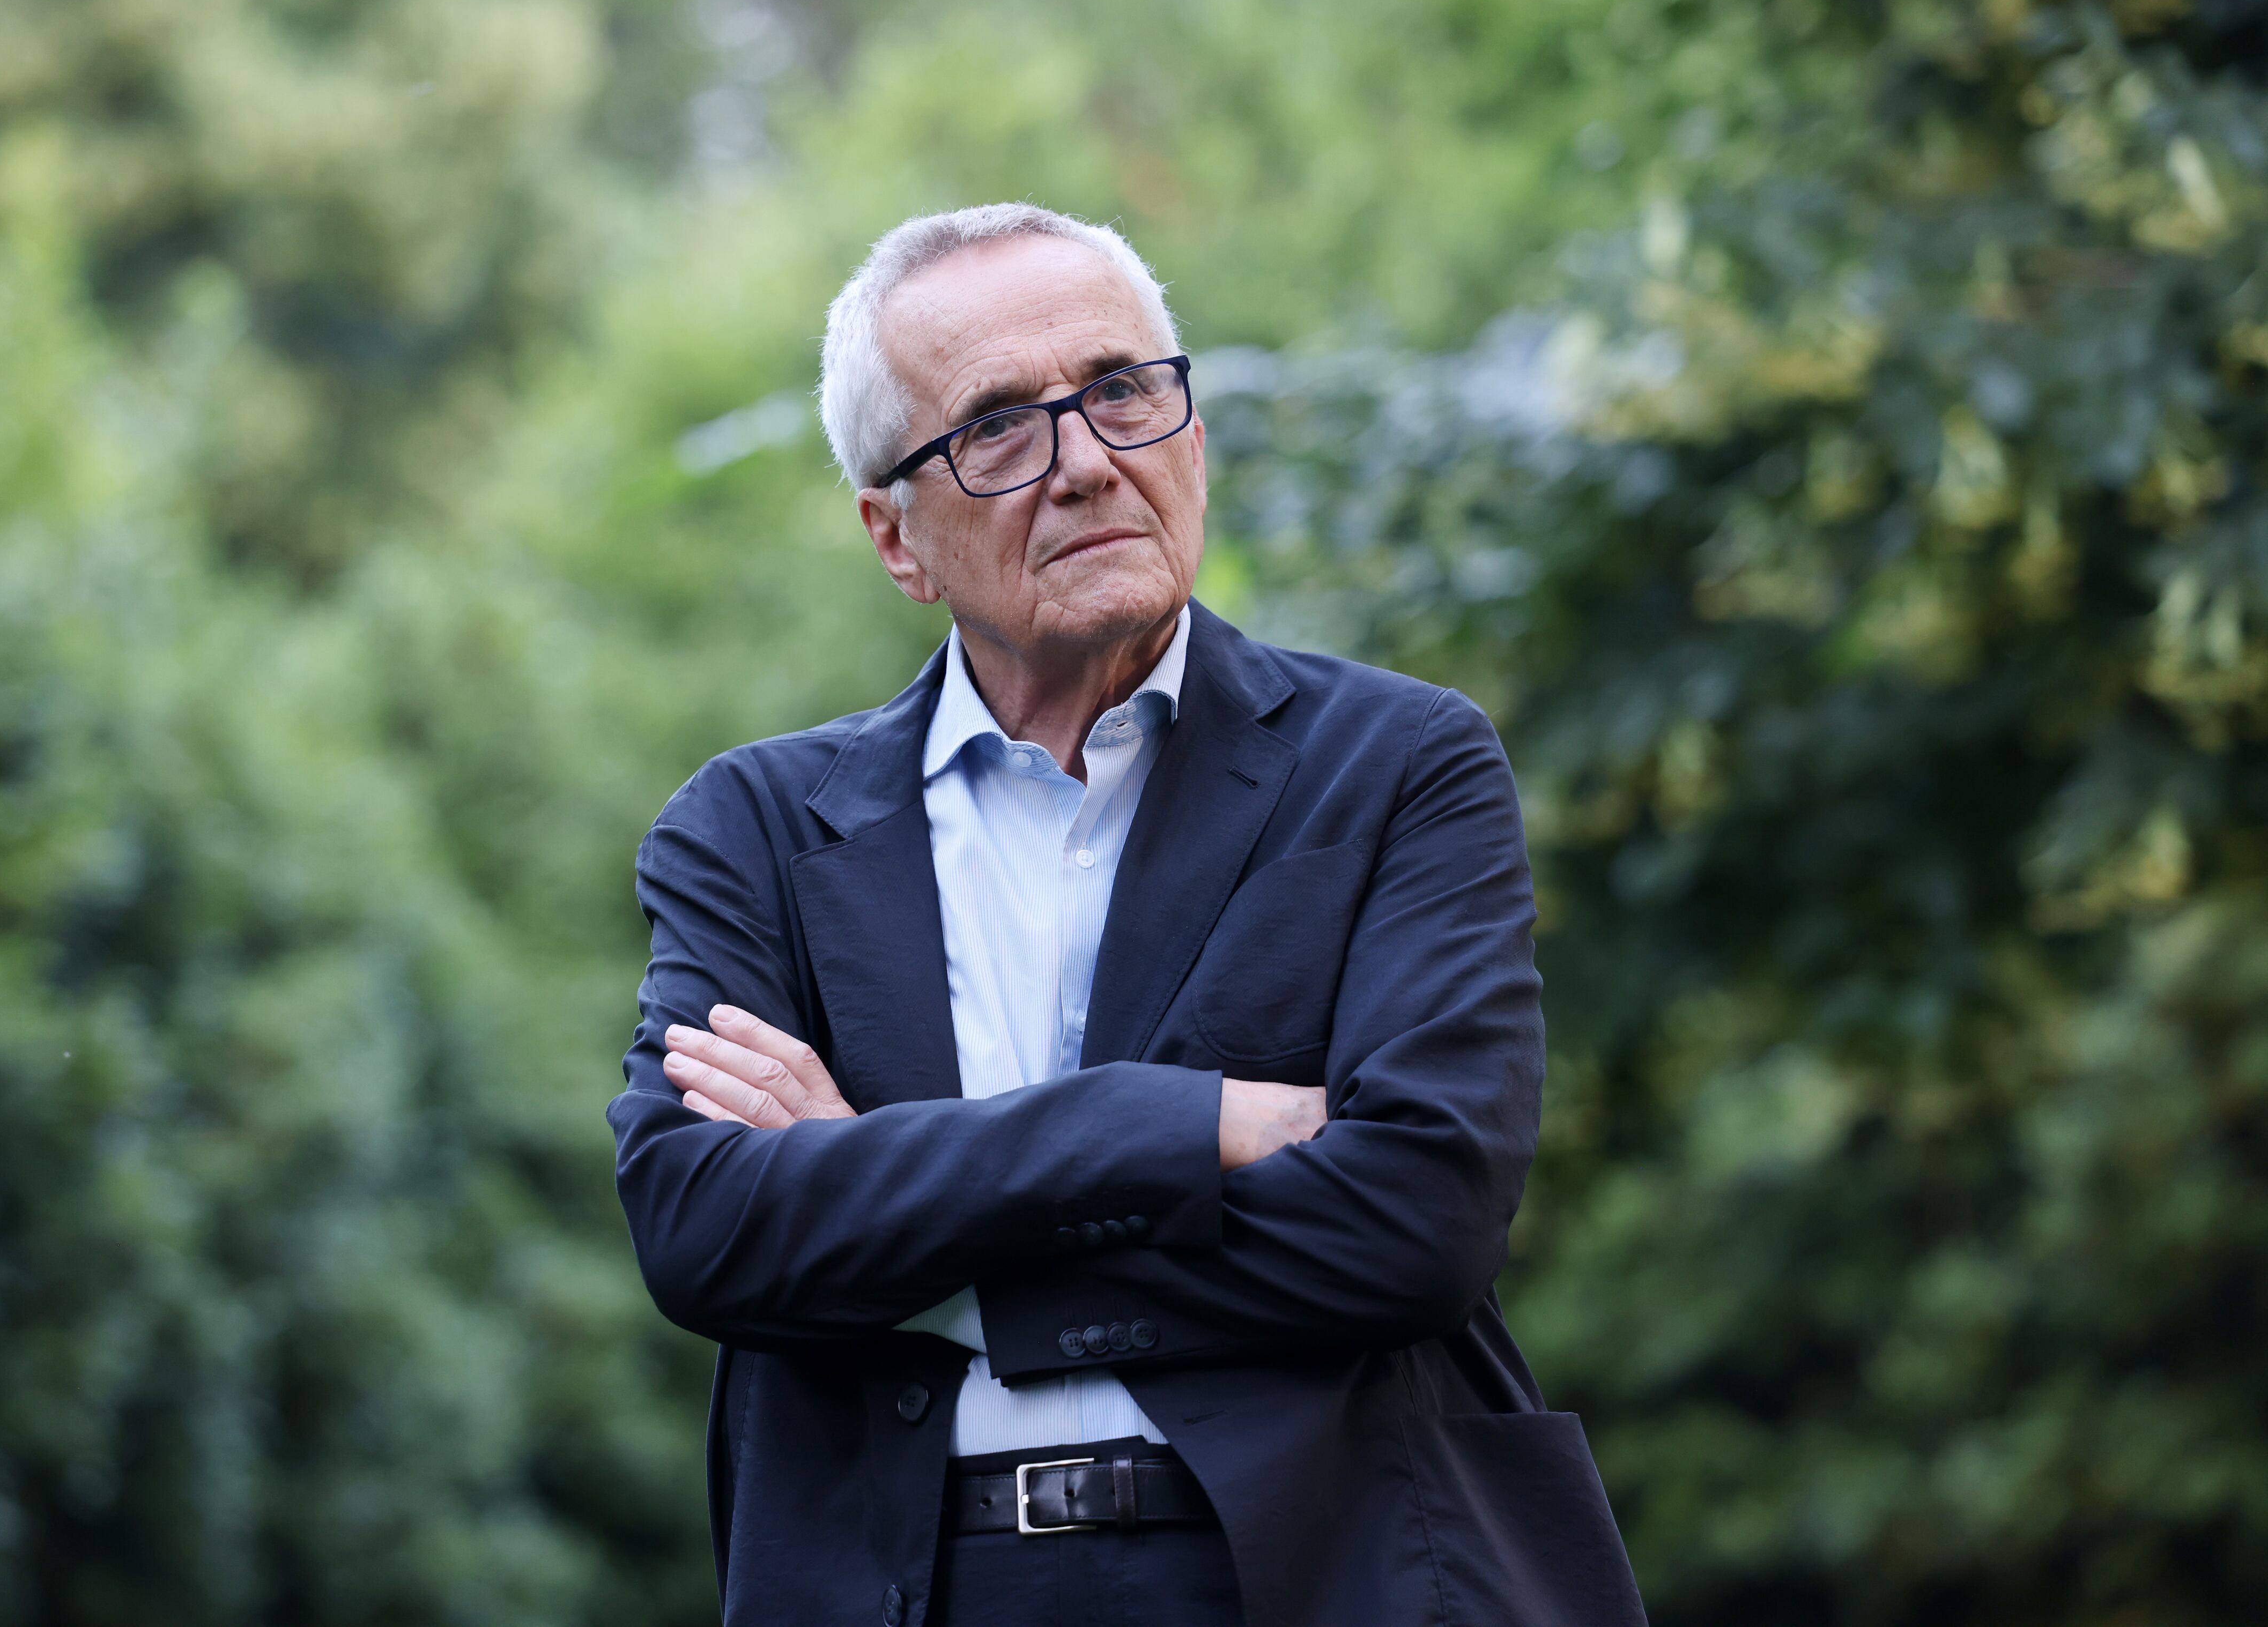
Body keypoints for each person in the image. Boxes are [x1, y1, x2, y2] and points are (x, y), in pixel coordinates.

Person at [609, 203, 1644, 1626]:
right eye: (997, 428)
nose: (1088, 464)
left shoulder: (1398, 765)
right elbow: (709, 1230)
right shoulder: (757, 831)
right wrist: (1181, 1127)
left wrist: (888, 1204)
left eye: (1122, 393)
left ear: (1192, 435)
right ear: (896, 538)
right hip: (914, 1591)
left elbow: (1419, 1222)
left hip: (1331, 1581)